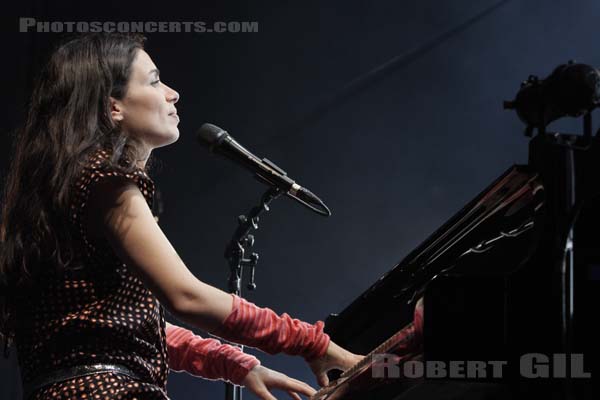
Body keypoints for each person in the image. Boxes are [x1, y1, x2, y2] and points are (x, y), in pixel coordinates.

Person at [0, 33, 362, 400]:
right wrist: (310, 342)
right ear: (113, 108)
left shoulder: (59, 189)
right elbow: (186, 296)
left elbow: (115, 332)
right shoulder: (106, 182)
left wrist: (237, 364)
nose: (173, 93)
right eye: (155, 81)